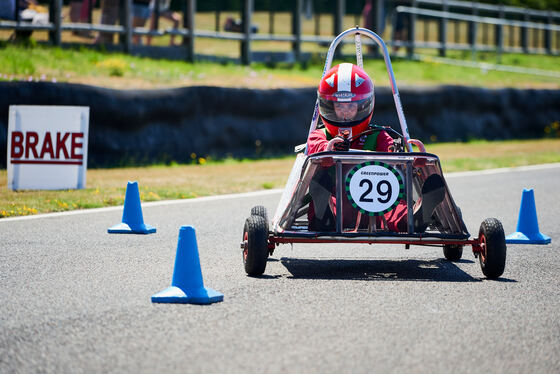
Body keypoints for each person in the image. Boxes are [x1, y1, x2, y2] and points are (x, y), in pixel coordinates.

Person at [306, 62, 445, 233]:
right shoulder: (321, 135)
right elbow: (314, 147)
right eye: (339, 106)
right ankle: (324, 215)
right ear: (328, 106)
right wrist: (330, 149)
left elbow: (392, 152)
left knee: (395, 207)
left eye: (351, 106)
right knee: (325, 196)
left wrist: (411, 159)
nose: (345, 112)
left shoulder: (376, 135)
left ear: (363, 106)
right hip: (338, 198)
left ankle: (417, 216)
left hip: (379, 201)